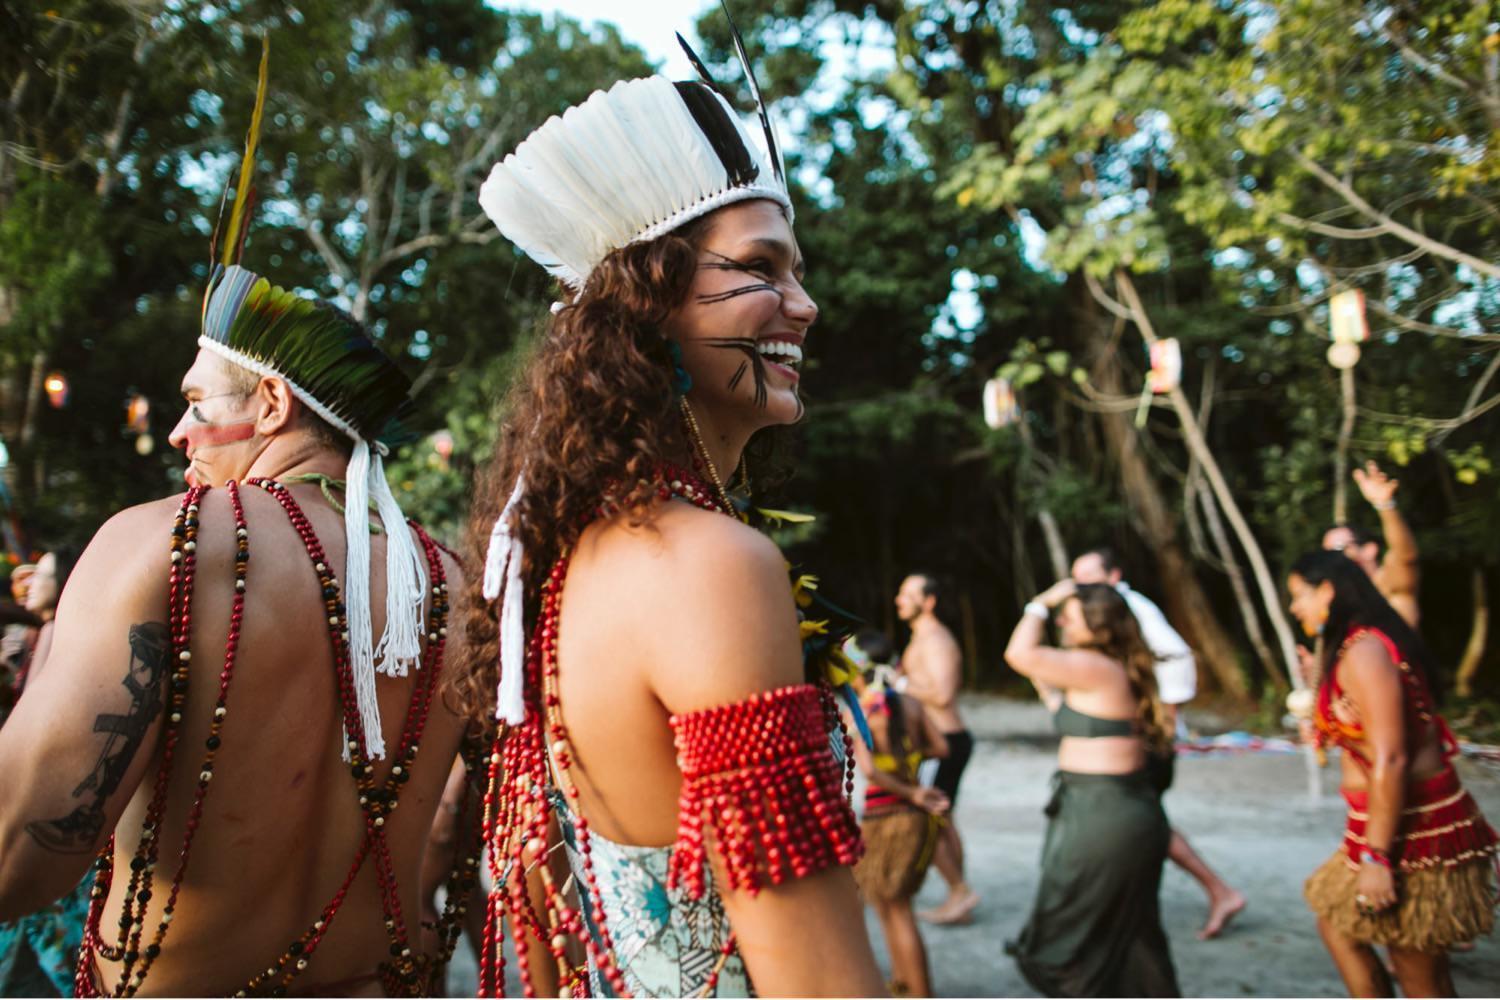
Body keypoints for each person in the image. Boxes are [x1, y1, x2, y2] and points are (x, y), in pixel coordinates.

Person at [0, 52, 479, 996]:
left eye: (193, 402)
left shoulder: (165, 545)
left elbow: (24, 850)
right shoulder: (454, 583)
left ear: (269, 405)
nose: (176, 431)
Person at [463, 37, 884, 998]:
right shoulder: (707, 565)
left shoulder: (572, 559)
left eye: (798, 271)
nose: (805, 305)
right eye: (764, 268)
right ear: (646, 304)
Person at [1289, 551, 1496, 997]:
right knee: (1338, 928)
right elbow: (1383, 743)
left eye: (1299, 596)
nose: (1295, 608)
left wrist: (1377, 858)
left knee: (1419, 973)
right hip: (1382, 823)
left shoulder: (1365, 651)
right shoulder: (1358, 647)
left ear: (1326, 591)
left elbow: (1396, 757)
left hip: (1412, 829)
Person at [1004, 579, 1180, 997]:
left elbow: (1018, 653)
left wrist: (1039, 602)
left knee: (1072, 930)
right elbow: (1071, 711)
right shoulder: (1104, 667)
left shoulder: (1094, 665)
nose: (1061, 618)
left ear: (1098, 626)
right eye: (1061, 611)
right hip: (1104, 808)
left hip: (1104, 812)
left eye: (1071, 613)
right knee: (1131, 937)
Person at [1071, 547, 1246, 939]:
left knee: (1143, 823)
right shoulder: (1106, 613)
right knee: (1139, 822)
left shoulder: (1132, 607)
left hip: (1146, 741)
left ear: (1114, 577)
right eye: (1077, 580)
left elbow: (1178, 656)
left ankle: (1219, 891)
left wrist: (1163, 720)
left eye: (1090, 579)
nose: (1081, 588)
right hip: (1128, 740)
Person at [0, 547, 89, 997]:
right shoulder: (50, 632)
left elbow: (31, 730)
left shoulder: (57, 632)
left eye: (42, 575)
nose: (30, 583)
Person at [845, 630, 949, 997]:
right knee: (892, 905)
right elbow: (941, 747)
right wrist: (911, 766)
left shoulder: (863, 711)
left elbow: (870, 771)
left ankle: (917, 992)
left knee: (895, 909)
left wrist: (910, 791)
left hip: (883, 816)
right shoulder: (912, 705)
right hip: (912, 817)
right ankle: (904, 987)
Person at [893, 572, 979, 925]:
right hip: (935, 742)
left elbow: (943, 695)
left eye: (907, 593)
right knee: (941, 819)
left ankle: (960, 890)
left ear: (928, 602)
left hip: (944, 742)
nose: (899, 599)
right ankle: (957, 893)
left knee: (927, 821)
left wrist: (898, 682)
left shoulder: (936, 641)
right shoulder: (921, 639)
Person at [1323, 460, 1420, 628]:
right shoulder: (1344, 606)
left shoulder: (1390, 587)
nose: (1334, 559)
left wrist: (1384, 505)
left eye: (1339, 549)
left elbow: (1406, 555)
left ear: (1369, 550)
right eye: (1328, 555)